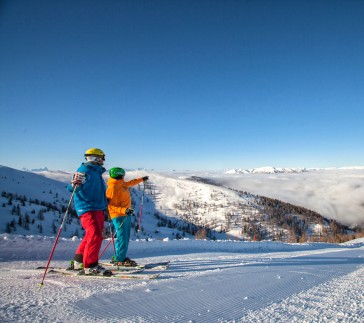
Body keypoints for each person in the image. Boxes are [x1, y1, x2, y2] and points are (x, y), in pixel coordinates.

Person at [67, 148, 111, 276]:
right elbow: (72, 187)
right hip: (87, 207)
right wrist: (74, 184)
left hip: (97, 207)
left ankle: (79, 261)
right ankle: (91, 265)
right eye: (102, 157)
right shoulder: (84, 171)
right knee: (95, 235)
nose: (103, 160)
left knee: (90, 235)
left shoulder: (96, 172)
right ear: (95, 158)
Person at [106, 167, 149, 266]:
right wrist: (124, 210)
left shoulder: (120, 184)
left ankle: (120, 256)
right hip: (118, 215)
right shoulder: (112, 188)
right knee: (122, 237)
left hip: (125, 214)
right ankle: (119, 259)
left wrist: (141, 179)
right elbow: (110, 206)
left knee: (125, 237)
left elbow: (130, 183)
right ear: (120, 175)